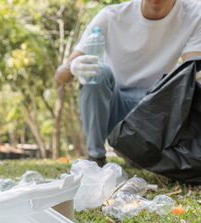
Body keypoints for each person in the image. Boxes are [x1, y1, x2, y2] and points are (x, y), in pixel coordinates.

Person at [54, 0, 201, 167]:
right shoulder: (110, 16)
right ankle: (96, 158)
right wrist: (73, 67)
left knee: (188, 88)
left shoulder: (194, 13)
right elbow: (60, 76)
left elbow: (192, 70)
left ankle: (139, 151)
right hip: (113, 106)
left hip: (155, 109)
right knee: (97, 70)